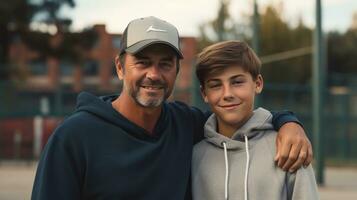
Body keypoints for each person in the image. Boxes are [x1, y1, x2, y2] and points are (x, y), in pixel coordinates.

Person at [32, 16, 313, 200]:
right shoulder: (74, 136)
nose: (154, 74)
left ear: (177, 71)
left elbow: (238, 119)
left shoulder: (186, 125)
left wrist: (289, 123)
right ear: (120, 67)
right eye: (142, 62)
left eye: (165, 63)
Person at [191, 40, 318, 200]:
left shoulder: (288, 148)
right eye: (216, 85)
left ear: (257, 84)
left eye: (237, 82)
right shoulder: (193, 156)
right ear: (204, 94)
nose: (227, 94)